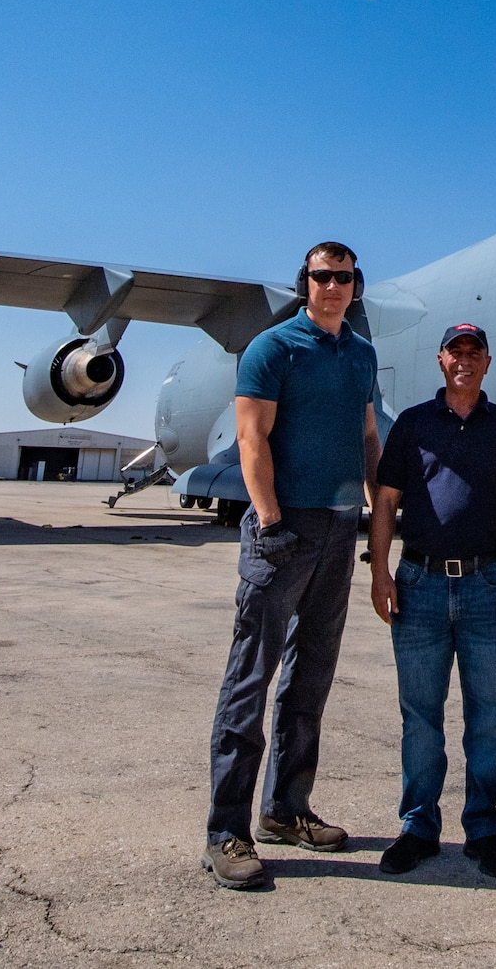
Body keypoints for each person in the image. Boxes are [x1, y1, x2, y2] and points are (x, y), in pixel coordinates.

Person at [202, 242, 381, 891]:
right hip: (284, 527)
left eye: (343, 276)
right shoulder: (273, 348)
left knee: (310, 678)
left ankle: (285, 809)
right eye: (321, 275)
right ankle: (227, 828)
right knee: (250, 678)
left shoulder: (360, 354)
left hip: (338, 526)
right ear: (304, 282)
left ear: (355, 285)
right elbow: (252, 437)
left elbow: (367, 436)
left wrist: (378, 513)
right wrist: (270, 519)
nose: (332, 285)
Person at [369, 322, 496, 879]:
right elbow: (387, 500)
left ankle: (484, 829)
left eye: (475, 352)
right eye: (455, 352)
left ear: (488, 363)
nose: (465, 360)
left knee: (488, 717)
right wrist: (379, 574)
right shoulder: (413, 424)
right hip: (417, 584)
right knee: (420, 716)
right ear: (441, 361)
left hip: (489, 582)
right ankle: (418, 826)